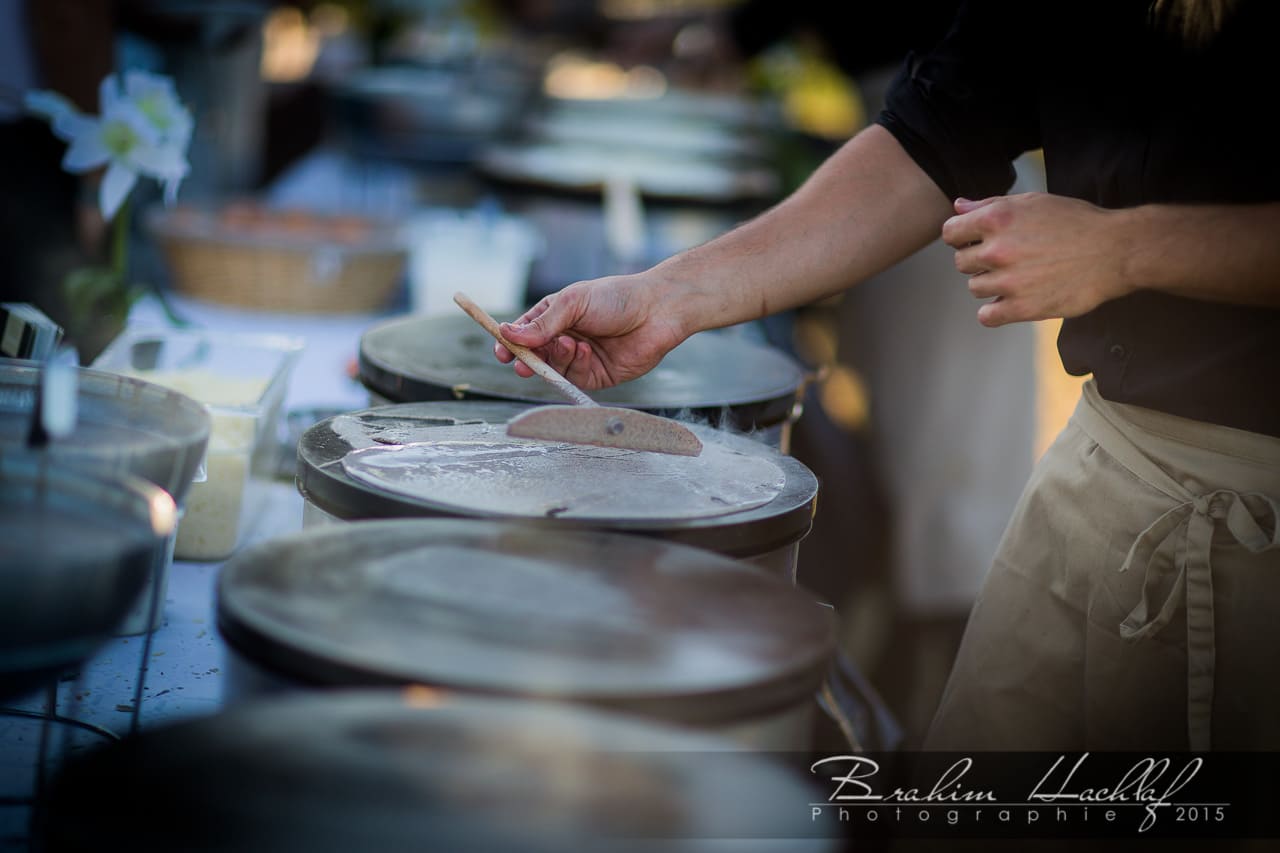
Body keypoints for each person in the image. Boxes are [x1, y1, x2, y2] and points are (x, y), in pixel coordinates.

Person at [493, 0, 1280, 752]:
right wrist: (666, 298)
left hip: (1252, 520)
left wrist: (1125, 249)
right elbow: (934, 135)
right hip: (1106, 463)